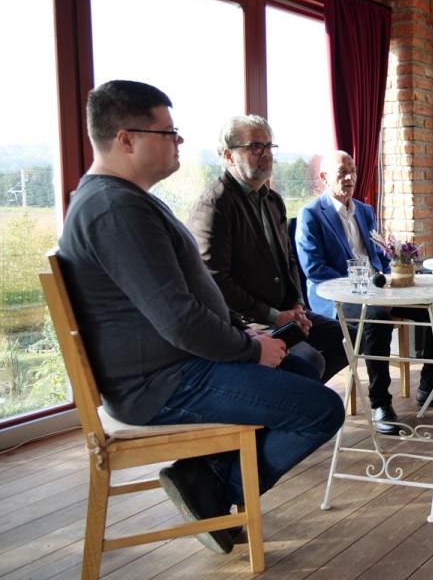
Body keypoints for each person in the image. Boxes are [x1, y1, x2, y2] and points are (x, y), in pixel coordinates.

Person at [58, 81, 344, 555]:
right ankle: (214, 487)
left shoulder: (125, 200)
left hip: (174, 366)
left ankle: (205, 472)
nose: (179, 141)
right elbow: (180, 320)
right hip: (162, 383)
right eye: (167, 132)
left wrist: (244, 330)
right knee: (322, 410)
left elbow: (185, 299)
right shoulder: (115, 209)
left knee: (300, 367)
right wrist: (250, 348)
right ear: (125, 139)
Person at [295, 151, 433, 435]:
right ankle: (380, 403)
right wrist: (364, 285)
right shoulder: (311, 214)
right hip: (340, 296)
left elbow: (378, 257)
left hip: (380, 287)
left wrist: (396, 271)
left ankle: (432, 388)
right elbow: (315, 270)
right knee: (376, 317)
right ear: (325, 177)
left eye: (353, 170)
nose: (350, 177)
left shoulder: (364, 211)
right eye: (342, 173)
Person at [187, 115, 349, 383]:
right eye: (255, 147)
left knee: (348, 338)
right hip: (247, 322)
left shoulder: (273, 200)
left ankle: (301, 396)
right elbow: (214, 280)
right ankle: (297, 399)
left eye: (269, 146)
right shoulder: (215, 205)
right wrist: (274, 316)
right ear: (228, 156)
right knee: (309, 362)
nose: (266, 154)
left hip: (285, 312)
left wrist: (298, 305)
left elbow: (288, 259)